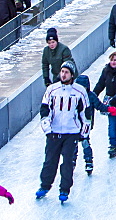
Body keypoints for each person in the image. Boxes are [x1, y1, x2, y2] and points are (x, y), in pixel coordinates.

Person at [36, 60, 89, 202]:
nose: (63, 74)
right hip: (53, 132)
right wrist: (46, 126)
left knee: (67, 163)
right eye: (62, 71)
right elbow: (44, 108)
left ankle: (64, 189)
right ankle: (45, 186)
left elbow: (85, 113)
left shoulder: (79, 91)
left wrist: (84, 132)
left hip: (71, 133)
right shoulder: (52, 90)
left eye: (66, 72)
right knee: (50, 161)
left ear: (72, 75)